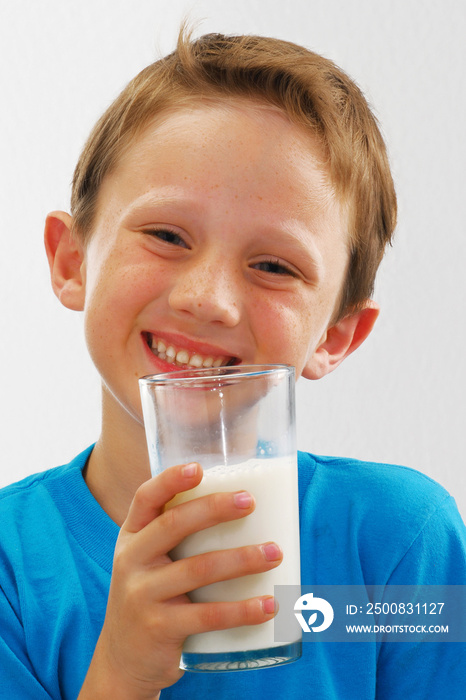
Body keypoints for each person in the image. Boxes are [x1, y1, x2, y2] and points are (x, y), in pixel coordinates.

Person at [0, 28, 465, 700]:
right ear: (71, 262)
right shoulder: (14, 568)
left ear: (336, 335)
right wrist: (123, 676)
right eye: (166, 235)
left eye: (274, 266)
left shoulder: (399, 546)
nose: (208, 299)